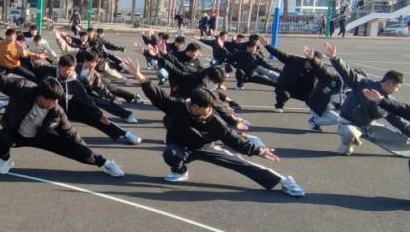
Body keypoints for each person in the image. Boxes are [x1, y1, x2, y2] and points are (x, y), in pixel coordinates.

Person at [123, 58, 305, 196]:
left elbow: (233, 138)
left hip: (204, 146)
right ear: (194, 106)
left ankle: (283, 182)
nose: (209, 112)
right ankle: (180, 170)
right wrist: (140, 76)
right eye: (206, 109)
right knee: (170, 154)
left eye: (211, 108)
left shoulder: (213, 120)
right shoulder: (177, 106)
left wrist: (259, 151)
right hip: (179, 146)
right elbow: (157, 95)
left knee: (240, 164)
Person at [0, 53, 124, 177]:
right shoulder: (22, 90)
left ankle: (106, 164)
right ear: (41, 96)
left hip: (42, 136)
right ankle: (6, 161)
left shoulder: (57, 111)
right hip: (16, 132)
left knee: (77, 150)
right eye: (52, 100)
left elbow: (72, 135)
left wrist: (92, 156)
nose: (55, 104)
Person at [25, 54, 141, 145]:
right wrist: (22, 52)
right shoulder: (47, 71)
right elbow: (31, 63)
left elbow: (88, 101)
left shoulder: (76, 83)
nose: (69, 72)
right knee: (44, 131)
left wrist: (100, 114)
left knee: (99, 119)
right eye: (67, 69)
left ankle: (125, 134)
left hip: (73, 108)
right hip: (52, 109)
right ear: (59, 66)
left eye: (72, 69)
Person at [324, 42, 410, 155]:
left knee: (402, 141)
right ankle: (346, 145)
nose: (397, 90)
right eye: (397, 87)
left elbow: (399, 121)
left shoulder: (389, 102)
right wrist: (334, 59)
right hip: (348, 122)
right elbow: (347, 73)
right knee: (350, 133)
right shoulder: (364, 84)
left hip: (368, 126)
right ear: (389, 84)